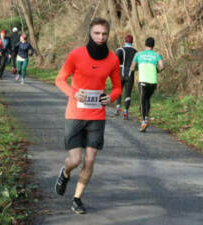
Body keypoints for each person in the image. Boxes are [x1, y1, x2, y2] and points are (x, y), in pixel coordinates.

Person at [54, 18, 121, 214]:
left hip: (97, 115)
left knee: (90, 160)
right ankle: (65, 173)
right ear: (90, 34)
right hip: (75, 113)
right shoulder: (76, 55)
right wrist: (74, 93)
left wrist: (112, 97)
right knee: (75, 160)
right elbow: (60, 80)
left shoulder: (112, 59)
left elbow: (117, 87)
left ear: (108, 35)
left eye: (104, 34)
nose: (101, 37)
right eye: (97, 33)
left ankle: (77, 199)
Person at [129, 37, 164, 132]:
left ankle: (144, 121)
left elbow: (132, 67)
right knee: (147, 99)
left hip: (143, 81)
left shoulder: (138, 54)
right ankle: (146, 118)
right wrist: (156, 70)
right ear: (153, 45)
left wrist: (138, 68)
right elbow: (162, 66)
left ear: (145, 44)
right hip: (153, 82)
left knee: (142, 101)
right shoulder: (157, 55)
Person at [114, 34, 137, 120]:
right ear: (132, 42)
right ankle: (126, 111)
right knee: (128, 93)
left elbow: (115, 62)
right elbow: (136, 64)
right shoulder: (135, 52)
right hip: (130, 75)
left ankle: (118, 108)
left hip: (120, 73)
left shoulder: (120, 50)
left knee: (118, 90)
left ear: (124, 41)